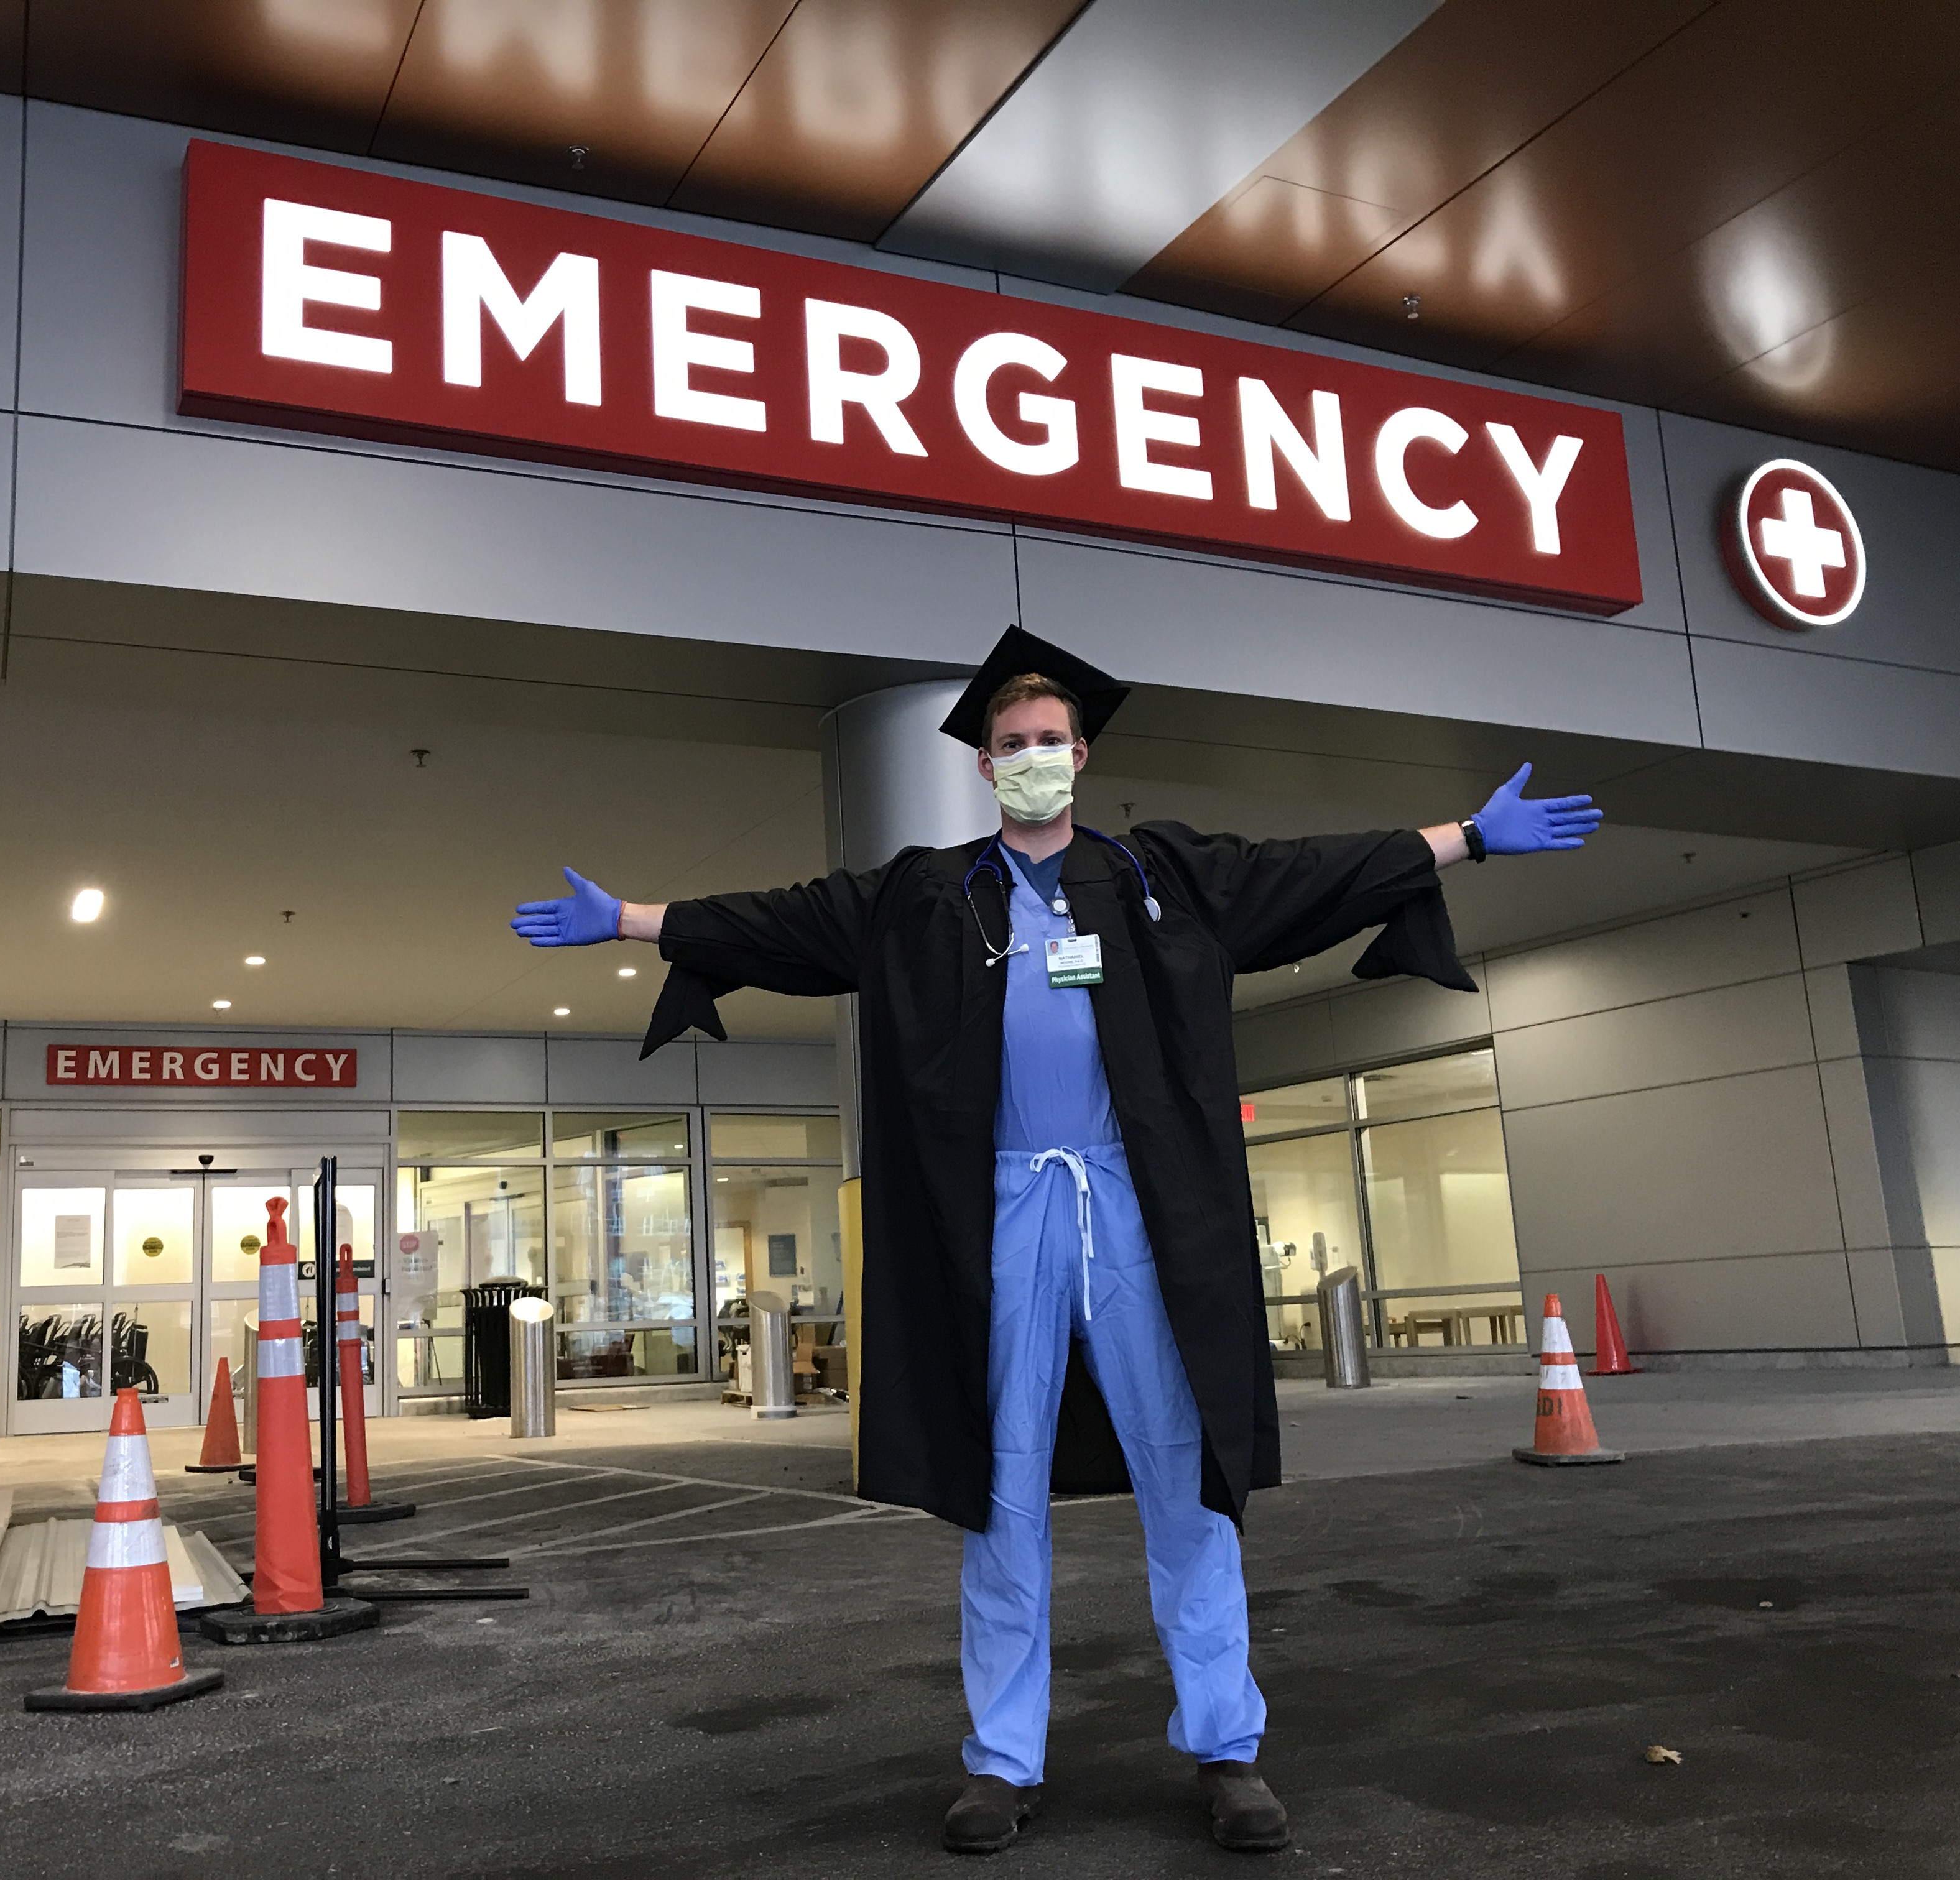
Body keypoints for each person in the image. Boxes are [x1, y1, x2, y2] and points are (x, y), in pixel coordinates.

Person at [510, 627, 1601, 1856]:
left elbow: (1310, 871)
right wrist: (632, 922)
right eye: (1011, 746)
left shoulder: (1163, 880)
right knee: (1002, 1484)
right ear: (986, 768)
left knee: (1188, 1477)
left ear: (1082, 758)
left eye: (1050, 744)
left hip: (1139, 1210)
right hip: (1004, 1212)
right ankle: (1002, 1759)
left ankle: (1227, 1746)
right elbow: (791, 921)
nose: (1032, 760)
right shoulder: (929, 895)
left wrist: (1457, 836)